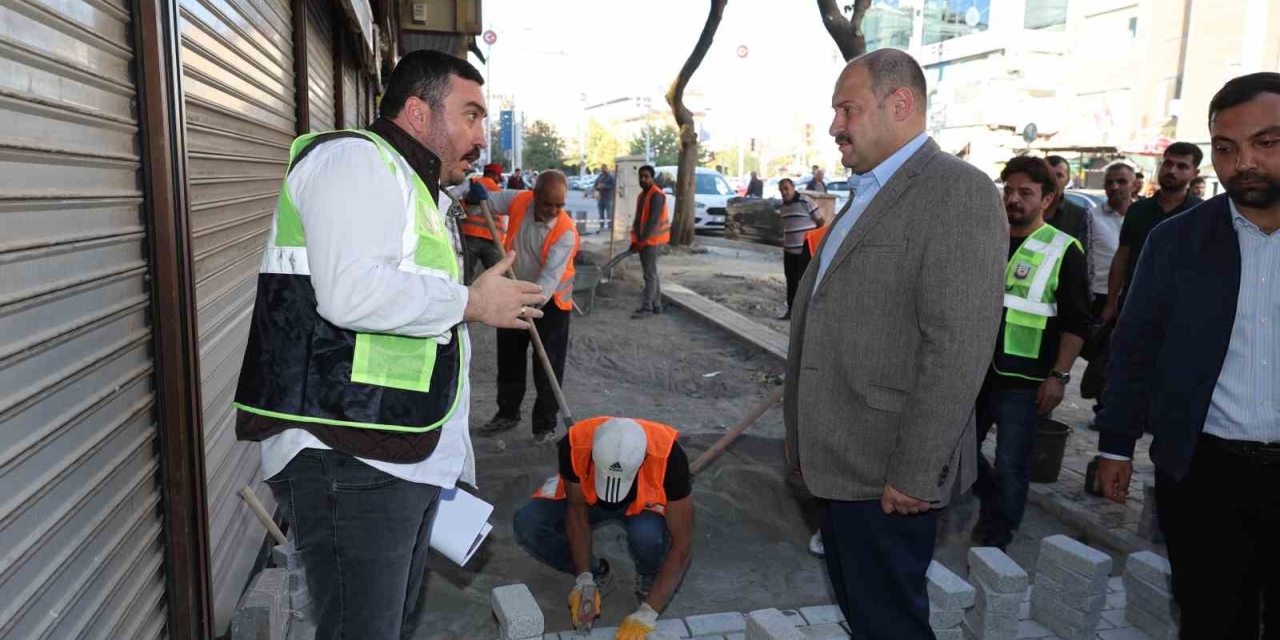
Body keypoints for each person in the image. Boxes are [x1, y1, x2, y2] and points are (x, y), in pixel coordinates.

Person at [232, 50, 546, 640]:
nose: (481, 135)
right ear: (418, 112)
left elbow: (404, 317)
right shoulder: (355, 162)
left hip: (392, 448)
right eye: (471, 115)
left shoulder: (412, 187)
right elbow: (350, 293)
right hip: (347, 456)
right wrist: (471, 304)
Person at [784, 49, 1006, 639]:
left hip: (888, 470)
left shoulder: (958, 192)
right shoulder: (868, 192)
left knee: (890, 624)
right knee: (867, 615)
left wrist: (915, 471)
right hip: (840, 458)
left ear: (899, 103)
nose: (835, 126)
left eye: (846, 110)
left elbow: (957, 345)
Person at [1095, 72, 1280, 639]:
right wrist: (1115, 446)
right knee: (1211, 619)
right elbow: (1135, 347)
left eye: (1266, 143)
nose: (1243, 161)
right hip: (1205, 476)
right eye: (1226, 148)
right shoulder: (1176, 242)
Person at [971, 156, 1090, 550]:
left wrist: (1059, 376)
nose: (1013, 199)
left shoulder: (1063, 249)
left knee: (1011, 464)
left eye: (1025, 192)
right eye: (1008, 191)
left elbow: (1077, 323)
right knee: (958, 453)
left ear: (1048, 199)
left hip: (1025, 380)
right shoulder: (986, 238)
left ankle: (997, 534)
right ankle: (993, 502)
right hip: (974, 371)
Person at [516, 417, 694, 640]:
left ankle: (650, 574)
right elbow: (576, 510)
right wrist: (584, 576)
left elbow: (683, 543)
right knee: (529, 522)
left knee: (647, 536)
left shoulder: (669, 457)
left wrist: (649, 612)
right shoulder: (575, 444)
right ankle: (597, 573)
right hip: (589, 496)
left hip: (643, 503)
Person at [468, 172, 580, 443]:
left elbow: (547, 282)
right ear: (534, 195)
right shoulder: (520, 200)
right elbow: (488, 201)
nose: (554, 211)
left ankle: (544, 426)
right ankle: (507, 414)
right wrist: (474, 195)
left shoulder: (565, 232)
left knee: (547, 365)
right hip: (514, 292)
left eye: (560, 205)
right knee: (509, 360)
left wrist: (521, 301)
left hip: (550, 303)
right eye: (548, 204)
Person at [1099, 142, 1203, 325]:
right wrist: (1110, 303)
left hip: (1181, 313)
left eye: (1182, 166)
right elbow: (1122, 256)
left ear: (1195, 173)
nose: (1172, 171)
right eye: (1168, 163)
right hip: (1134, 307)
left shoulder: (1202, 214)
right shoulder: (1137, 210)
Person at [1080, 163, 1135, 426]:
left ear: (1134, 184)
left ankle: (1108, 407)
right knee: (1100, 357)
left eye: (1121, 181)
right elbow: (1086, 256)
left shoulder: (1140, 216)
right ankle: (1103, 405)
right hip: (1100, 297)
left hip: (1131, 297)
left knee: (1119, 358)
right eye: (1110, 182)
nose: (1115, 187)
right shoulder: (1092, 216)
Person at [778, 178, 824, 319]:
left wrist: (811, 239)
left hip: (805, 252)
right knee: (791, 282)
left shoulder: (806, 202)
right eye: (781, 190)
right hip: (789, 252)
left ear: (793, 187)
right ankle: (791, 311)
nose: (784, 192)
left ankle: (807, 314)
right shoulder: (783, 206)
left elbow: (821, 222)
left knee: (806, 283)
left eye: (786, 188)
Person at [631, 165, 670, 319]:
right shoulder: (642, 196)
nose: (643, 179)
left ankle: (647, 308)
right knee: (652, 273)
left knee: (649, 275)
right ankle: (656, 305)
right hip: (645, 239)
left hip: (654, 240)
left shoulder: (657, 196)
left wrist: (642, 240)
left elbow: (652, 222)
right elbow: (639, 219)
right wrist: (635, 240)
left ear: (652, 178)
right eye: (641, 176)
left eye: (646, 176)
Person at [460, 162, 507, 283]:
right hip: (491, 239)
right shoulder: (498, 192)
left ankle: (466, 299)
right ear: (496, 176)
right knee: (497, 276)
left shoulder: (470, 185)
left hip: (468, 236)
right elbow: (504, 220)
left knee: (466, 275)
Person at [1045, 155, 1090, 249]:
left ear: (1067, 181)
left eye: (1059, 175)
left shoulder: (1079, 215)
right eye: (1048, 174)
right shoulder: (1024, 209)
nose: (1053, 180)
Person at [593, 164, 616, 230]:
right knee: (601, 215)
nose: (603, 169)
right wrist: (597, 187)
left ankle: (610, 228)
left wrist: (605, 186)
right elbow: (594, 186)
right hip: (600, 199)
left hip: (608, 199)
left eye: (604, 168)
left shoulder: (611, 177)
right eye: (602, 168)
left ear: (607, 169)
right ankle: (601, 227)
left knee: (609, 215)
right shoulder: (599, 177)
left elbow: (614, 186)